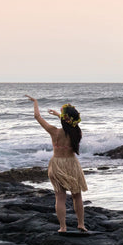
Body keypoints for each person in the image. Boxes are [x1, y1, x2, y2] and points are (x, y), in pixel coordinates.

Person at [25, 95, 87, 232]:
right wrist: (59, 115)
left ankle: (63, 227)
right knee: (77, 196)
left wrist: (35, 102)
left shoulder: (54, 132)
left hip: (57, 165)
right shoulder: (78, 133)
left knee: (60, 197)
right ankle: (81, 224)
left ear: (65, 119)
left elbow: (38, 117)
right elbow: (70, 125)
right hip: (72, 165)